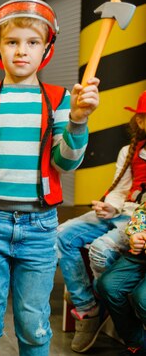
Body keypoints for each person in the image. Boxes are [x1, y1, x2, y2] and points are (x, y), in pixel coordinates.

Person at [0, 0, 100, 355]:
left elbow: (65, 164)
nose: (22, 51)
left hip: (40, 227)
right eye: (13, 42)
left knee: (34, 325)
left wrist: (78, 120)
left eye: (32, 42)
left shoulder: (61, 99)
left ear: (46, 49)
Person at [56, 91, 146, 353]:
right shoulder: (129, 151)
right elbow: (121, 188)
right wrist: (111, 205)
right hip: (122, 210)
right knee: (63, 234)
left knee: (100, 249)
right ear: (139, 121)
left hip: (137, 221)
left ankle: (109, 298)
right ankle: (88, 308)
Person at [94, 96, 146, 356]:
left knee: (142, 298)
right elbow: (141, 208)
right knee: (106, 285)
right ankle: (136, 340)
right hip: (140, 243)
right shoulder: (133, 150)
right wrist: (136, 232)